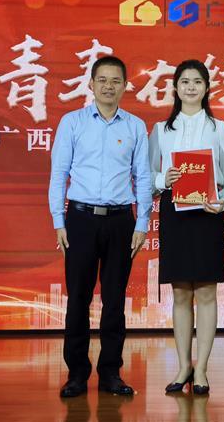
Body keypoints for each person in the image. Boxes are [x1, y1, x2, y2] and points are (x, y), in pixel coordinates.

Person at [49, 55, 152, 398]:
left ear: (125, 86)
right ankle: (76, 374)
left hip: (121, 221)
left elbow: (143, 177)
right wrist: (58, 220)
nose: (109, 86)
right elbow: (59, 174)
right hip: (80, 219)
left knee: (114, 299)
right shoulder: (72, 122)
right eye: (102, 80)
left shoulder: (135, 126)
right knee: (78, 298)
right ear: (91, 84)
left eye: (116, 80)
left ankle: (111, 372)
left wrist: (142, 222)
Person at [149, 60, 224, 396]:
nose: (191, 87)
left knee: (205, 292)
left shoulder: (219, 129)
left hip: (207, 214)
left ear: (206, 88)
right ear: (175, 88)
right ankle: (183, 366)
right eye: (185, 82)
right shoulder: (161, 130)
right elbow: (147, 178)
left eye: (197, 82)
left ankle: (201, 368)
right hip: (175, 214)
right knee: (179, 293)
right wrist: (164, 179)